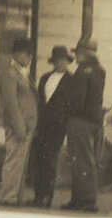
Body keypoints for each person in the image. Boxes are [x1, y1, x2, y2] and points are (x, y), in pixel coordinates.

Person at [61, 39, 106, 213]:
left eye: (78, 53)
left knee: (81, 162)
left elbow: (78, 99)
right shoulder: (99, 70)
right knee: (83, 161)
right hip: (92, 121)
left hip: (80, 121)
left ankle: (85, 200)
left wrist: (69, 112)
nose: (76, 56)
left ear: (86, 53)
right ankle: (80, 199)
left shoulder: (83, 71)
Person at [31, 44, 77, 208]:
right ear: (53, 62)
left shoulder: (72, 80)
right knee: (38, 160)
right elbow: (39, 102)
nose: (60, 63)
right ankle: (38, 195)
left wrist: (65, 122)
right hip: (42, 125)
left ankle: (47, 197)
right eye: (57, 60)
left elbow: (73, 105)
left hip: (58, 127)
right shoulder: (44, 78)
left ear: (67, 62)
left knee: (50, 160)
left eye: (63, 60)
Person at [0, 36, 38, 207]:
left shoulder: (20, 73)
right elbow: (11, 103)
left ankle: (16, 196)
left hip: (26, 126)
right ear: (19, 54)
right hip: (18, 126)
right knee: (14, 161)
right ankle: (8, 197)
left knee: (20, 163)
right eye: (28, 55)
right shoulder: (10, 73)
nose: (29, 59)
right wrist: (20, 127)